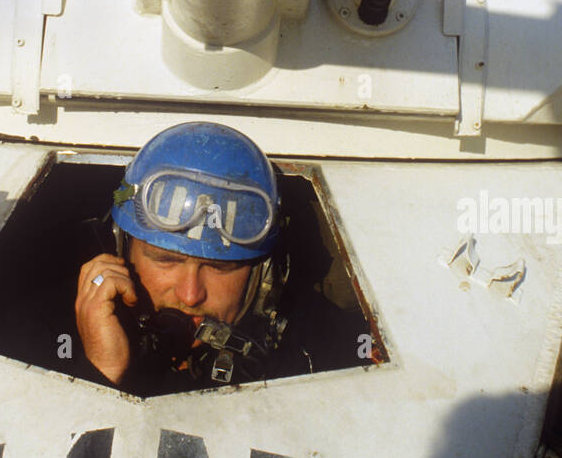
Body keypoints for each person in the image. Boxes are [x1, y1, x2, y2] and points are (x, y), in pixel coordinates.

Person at [75, 121, 373, 395]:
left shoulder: (330, 362)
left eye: (220, 267)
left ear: (264, 275)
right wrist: (102, 371)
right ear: (120, 253)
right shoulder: (50, 333)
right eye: (166, 260)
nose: (190, 295)